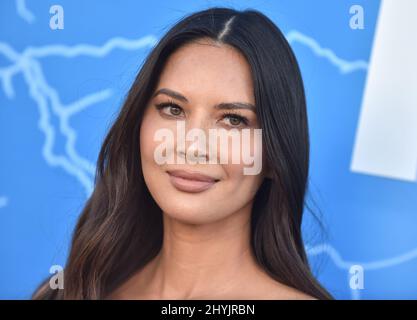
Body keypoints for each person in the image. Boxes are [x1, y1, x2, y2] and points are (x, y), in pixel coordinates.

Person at [32, 7, 332, 300]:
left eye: (233, 120)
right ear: (138, 124)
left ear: (273, 156)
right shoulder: (64, 293)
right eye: (172, 109)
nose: (192, 146)